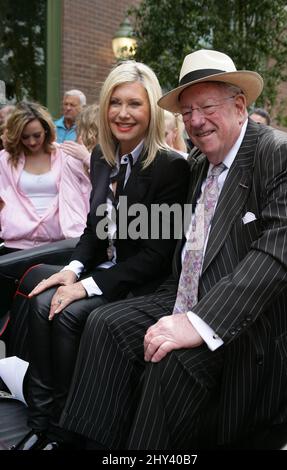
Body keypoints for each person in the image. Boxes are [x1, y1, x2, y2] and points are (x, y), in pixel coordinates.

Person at [56, 49, 287, 450]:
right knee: (105, 325)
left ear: (239, 105)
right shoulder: (199, 163)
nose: (196, 122)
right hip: (181, 294)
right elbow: (152, 234)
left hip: (245, 318)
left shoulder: (277, 152)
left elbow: (276, 255)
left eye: (206, 107)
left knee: (168, 360)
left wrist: (198, 321)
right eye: (187, 112)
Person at [11, 61, 189, 450]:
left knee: (67, 311)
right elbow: (96, 229)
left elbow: (154, 257)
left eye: (135, 104)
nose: (123, 114)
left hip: (143, 283)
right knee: (42, 301)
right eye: (116, 102)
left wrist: (86, 287)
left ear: (152, 110)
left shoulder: (169, 167)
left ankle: (69, 430)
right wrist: (72, 271)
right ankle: (45, 422)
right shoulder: (102, 157)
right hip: (104, 267)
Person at [0, 101, 91, 253]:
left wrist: (87, 158)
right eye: (25, 137)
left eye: (37, 135)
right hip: (15, 245)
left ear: (47, 130)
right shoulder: (5, 159)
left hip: (57, 243)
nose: (32, 142)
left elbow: (92, 185)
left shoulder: (64, 155)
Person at [59, 103, 100, 172]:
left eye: (72, 105)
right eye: (65, 104)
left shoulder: (113, 154)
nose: (68, 108)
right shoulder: (73, 159)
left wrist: (86, 157)